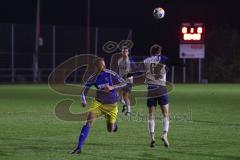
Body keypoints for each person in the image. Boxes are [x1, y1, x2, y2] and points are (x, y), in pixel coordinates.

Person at [71, 58, 126, 154]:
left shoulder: (110, 73)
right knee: (88, 122)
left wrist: (112, 87)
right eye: (101, 65)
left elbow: (124, 83)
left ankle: (114, 124)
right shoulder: (93, 77)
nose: (104, 67)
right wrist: (83, 101)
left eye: (104, 65)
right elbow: (84, 91)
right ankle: (79, 147)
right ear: (96, 67)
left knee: (110, 129)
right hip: (98, 103)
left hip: (112, 105)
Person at [143, 44, 170, 148]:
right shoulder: (163, 59)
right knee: (165, 114)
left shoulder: (146, 61)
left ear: (151, 52)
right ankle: (165, 134)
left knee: (151, 115)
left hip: (151, 88)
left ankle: (152, 138)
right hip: (161, 88)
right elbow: (166, 63)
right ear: (160, 52)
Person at [117, 47, 135, 116]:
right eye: (123, 51)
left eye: (126, 51)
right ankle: (125, 105)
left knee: (125, 96)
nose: (125, 53)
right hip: (121, 80)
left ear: (128, 53)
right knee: (120, 98)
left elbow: (128, 73)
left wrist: (122, 79)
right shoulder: (119, 60)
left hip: (128, 81)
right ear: (122, 52)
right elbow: (120, 71)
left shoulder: (129, 61)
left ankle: (129, 112)